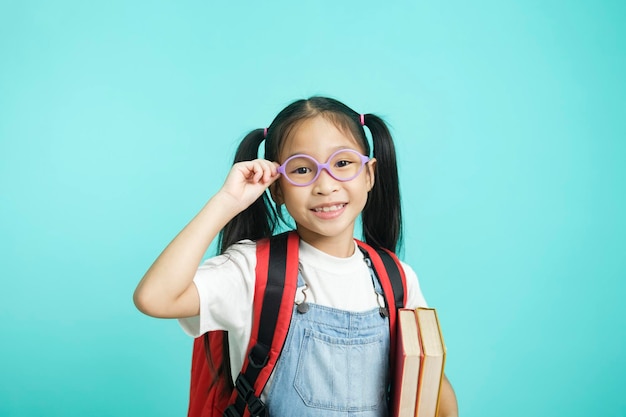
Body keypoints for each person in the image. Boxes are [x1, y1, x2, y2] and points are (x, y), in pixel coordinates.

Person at [134, 96, 458, 416]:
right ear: (277, 188)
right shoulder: (253, 271)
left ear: (369, 174)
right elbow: (156, 297)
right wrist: (227, 201)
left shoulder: (396, 279)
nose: (325, 185)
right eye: (302, 169)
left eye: (342, 163)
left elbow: (431, 386)